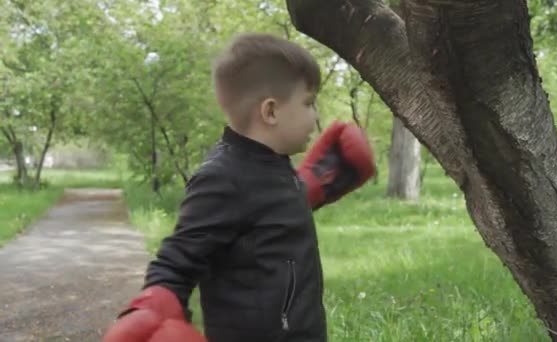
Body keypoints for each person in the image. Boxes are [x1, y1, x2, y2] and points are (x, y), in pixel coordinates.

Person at [103, 32, 376, 342]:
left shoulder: (275, 166)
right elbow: (176, 262)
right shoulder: (222, 179)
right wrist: (151, 313)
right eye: (309, 103)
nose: (316, 118)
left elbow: (264, 217)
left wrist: (320, 181)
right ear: (270, 111)